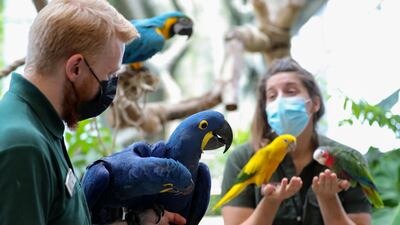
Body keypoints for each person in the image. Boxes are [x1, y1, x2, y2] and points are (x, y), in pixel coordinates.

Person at [0, 1, 186, 225]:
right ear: (75, 68)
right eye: (109, 75)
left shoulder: (41, 125)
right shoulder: (24, 146)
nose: (111, 87)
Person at [220, 57, 372, 225]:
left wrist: (328, 199)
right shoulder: (243, 158)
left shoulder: (348, 159)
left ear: (314, 104)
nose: (280, 102)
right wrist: (270, 202)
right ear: (265, 108)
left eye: (290, 92)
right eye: (272, 96)